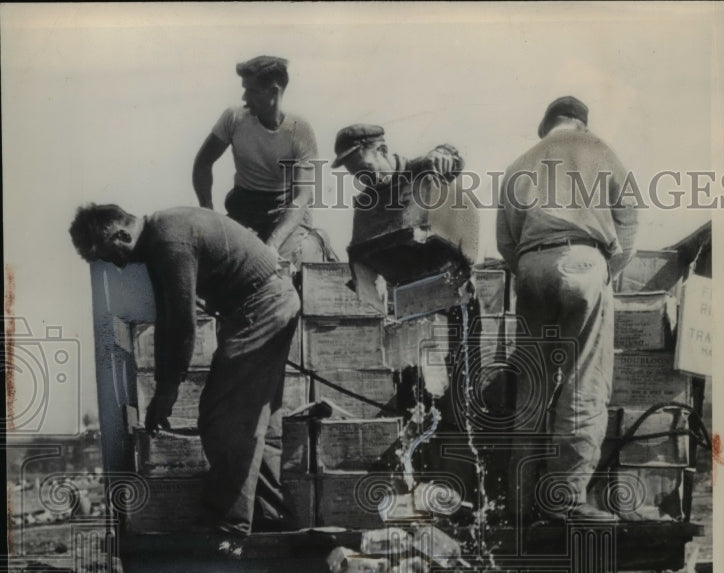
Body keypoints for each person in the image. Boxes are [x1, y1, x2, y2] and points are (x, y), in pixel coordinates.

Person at [69, 203, 301, 535]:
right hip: (262, 302)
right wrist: (165, 389)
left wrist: (166, 392)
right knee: (257, 416)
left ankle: (227, 525)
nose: (117, 266)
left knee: (223, 416)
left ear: (121, 234)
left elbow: (181, 324)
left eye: (111, 255)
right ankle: (272, 517)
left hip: (262, 305)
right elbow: (167, 317)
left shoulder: (168, 243)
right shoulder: (159, 236)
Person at [496, 96, 639, 522]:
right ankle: (564, 499)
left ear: (547, 126)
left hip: (530, 264)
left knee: (533, 386)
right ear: (580, 124)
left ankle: (519, 504)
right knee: (583, 381)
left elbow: (506, 240)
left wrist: (530, 270)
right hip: (584, 260)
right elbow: (628, 223)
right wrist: (602, 270)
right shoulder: (601, 150)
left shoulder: (518, 163)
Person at [192, 55, 333, 267]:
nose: (244, 97)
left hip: (285, 210)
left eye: (252, 91)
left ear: (274, 91)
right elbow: (203, 163)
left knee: (283, 264)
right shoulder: (234, 118)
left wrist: (273, 244)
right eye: (244, 89)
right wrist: (208, 211)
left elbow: (300, 199)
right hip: (244, 207)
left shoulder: (299, 131)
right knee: (223, 261)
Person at [331, 124, 463, 185]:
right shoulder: (368, 201)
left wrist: (444, 153)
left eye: (366, 170)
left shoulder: (419, 170)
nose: (364, 180)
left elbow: (453, 163)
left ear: (382, 150)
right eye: (357, 175)